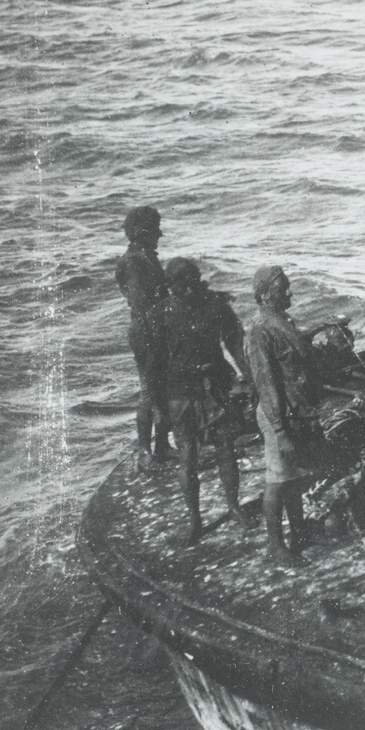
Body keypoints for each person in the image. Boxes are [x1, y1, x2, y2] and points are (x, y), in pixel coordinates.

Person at [155, 257, 250, 545]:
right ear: (171, 286)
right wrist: (160, 407)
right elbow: (154, 365)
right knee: (188, 456)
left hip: (216, 385)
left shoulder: (215, 304)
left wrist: (249, 376)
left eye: (192, 282)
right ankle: (195, 520)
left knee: (226, 447)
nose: (188, 290)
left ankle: (233, 507)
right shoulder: (161, 315)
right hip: (180, 392)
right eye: (181, 285)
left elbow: (235, 342)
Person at [244, 265, 318, 565]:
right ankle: (275, 546)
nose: (289, 292)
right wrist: (280, 430)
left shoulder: (281, 321)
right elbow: (266, 384)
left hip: (293, 412)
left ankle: (299, 531)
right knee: (277, 480)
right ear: (264, 296)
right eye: (282, 289)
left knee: (293, 476)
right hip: (279, 415)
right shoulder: (260, 331)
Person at [115, 205, 171, 470]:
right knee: (150, 391)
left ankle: (162, 447)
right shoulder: (134, 262)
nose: (160, 233)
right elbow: (141, 303)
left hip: (155, 328)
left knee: (162, 389)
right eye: (156, 227)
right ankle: (145, 453)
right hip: (146, 330)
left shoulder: (145, 257)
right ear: (145, 231)